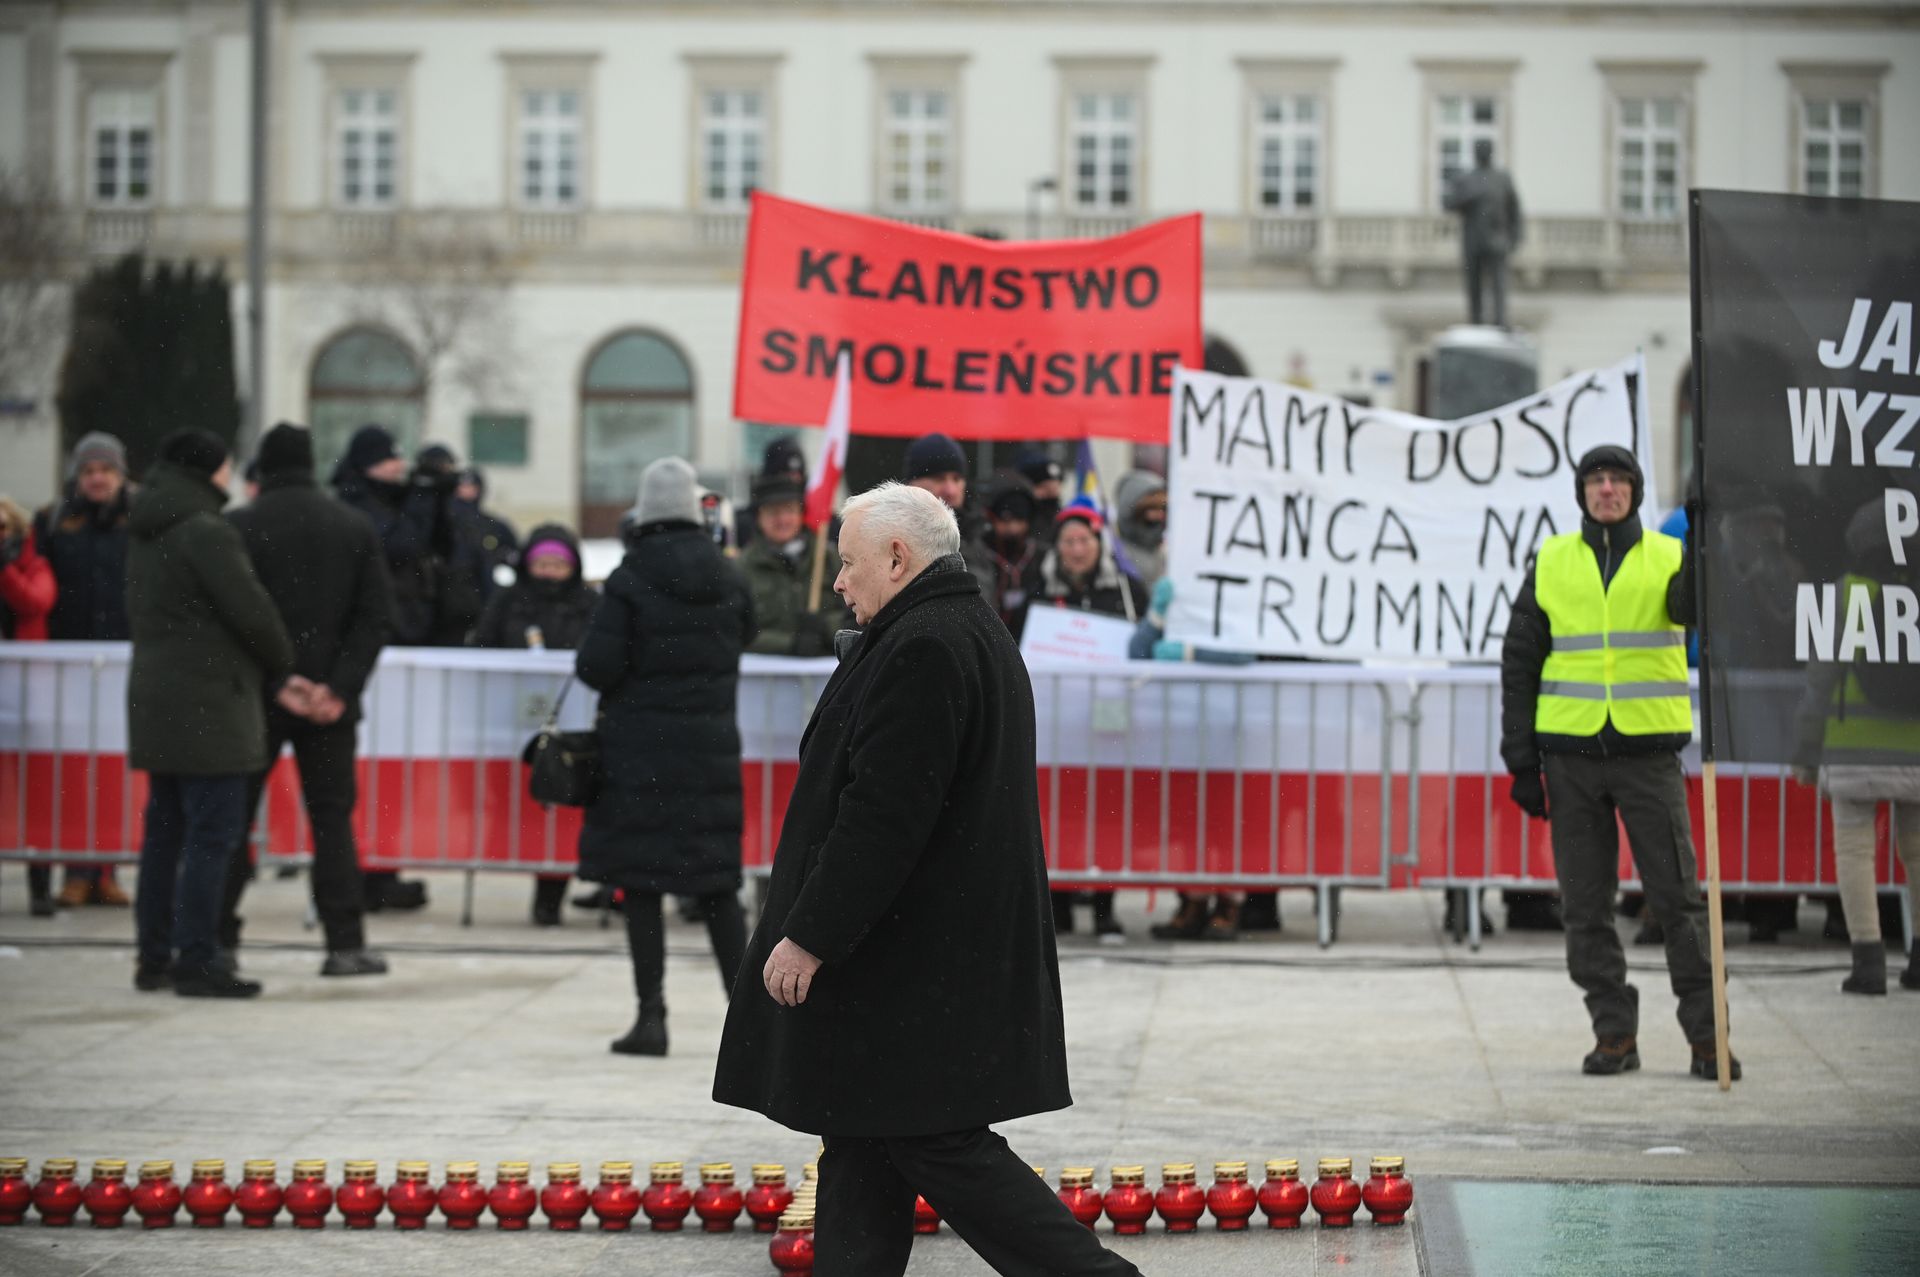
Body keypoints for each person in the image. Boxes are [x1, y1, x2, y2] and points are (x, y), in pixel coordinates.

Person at [713, 482, 1140, 1277]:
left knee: (931, 1140)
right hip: (921, 953)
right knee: (863, 1134)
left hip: (914, 959)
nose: (838, 581)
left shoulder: (928, 644)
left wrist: (808, 933)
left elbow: (882, 817)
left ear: (898, 557)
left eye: (847, 563)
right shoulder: (953, 626)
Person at [1500, 444, 1737, 1081]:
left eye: (1619, 480)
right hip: (1571, 757)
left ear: (1633, 490)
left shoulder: (1668, 553)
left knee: (1679, 903)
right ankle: (1613, 1034)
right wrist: (1520, 758)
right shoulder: (1552, 559)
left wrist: (1708, 542)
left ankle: (1708, 1038)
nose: (1608, 490)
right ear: (1582, 492)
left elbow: (1695, 612)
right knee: (1584, 906)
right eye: (1596, 480)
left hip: (1648, 756)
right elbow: (1520, 662)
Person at [576, 458, 756, 1056]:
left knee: (643, 885)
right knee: (716, 888)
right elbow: (747, 635)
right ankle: (754, 1024)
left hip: (639, 757)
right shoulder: (729, 577)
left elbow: (596, 667)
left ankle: (651, 1017)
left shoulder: (630, 577)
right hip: (708, 755)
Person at [126, 429, 314, 998]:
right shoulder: (207, 531)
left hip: (157, 697)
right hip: (211, 702)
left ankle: (154, 955)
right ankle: (198, 957)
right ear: (211, 471)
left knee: (163, 834)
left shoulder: (146, 527)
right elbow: (251, 612)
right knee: (213, 836)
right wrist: (283, 661)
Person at [219, 422, 392, 977]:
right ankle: (344, 943)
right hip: (329, 707)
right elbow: (373, 617)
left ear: (263, 468)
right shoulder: (352, 525)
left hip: (257, 699)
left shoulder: (239, 528)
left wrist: (279, 681)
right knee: (332, 820)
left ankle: (218, 936)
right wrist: (338, 688)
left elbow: (234, 617)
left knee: (233, 817)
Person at [1792, 502, 1920, 995]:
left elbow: (1820, 681)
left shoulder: (1847, 594)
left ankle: (1867, 960)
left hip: (1854, 748)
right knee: (1917, 851)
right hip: (1915, 746)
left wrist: (1805, 751)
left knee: (1854, 848)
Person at [330, 424, 443, 912]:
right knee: (364, 771)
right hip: (373, 649)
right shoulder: (355, 506)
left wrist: (434, 498)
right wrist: (419, 501)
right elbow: (400, 545)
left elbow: (435, 544)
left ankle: (385, 864)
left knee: (398, 771)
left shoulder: (393, 502)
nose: (398, 468)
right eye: (388, 460)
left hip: (407, 640)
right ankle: (359, 871)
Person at [469, 522, 600, 927]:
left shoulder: (589, 603)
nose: (547, 572)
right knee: (512, 802)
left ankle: (551, 896)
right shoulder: (508, 600)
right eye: (540, 563)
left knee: (559, 804)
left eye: (556, 565)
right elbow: (481, 646)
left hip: (569, 725)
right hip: (510, 721)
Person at [32, 432, 136, 909]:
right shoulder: (53, 522)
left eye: (107, 471)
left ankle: (107, 868)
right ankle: (76, 868)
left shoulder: (138, 522)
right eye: (90, 470)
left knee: (113, 767)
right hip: (67, 661)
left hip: (120, 658)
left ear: (121, 475)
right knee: (72, 770)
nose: (98, 479)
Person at [1129, 573, 1260, 940]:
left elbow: (1245, 653)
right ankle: (1194, 899)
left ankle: (1230, 902)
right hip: (1180, 732)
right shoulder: (1174, 595)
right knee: (1187, 819)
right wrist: (1156, 617)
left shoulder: (1236, 601)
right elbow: (1135, 651)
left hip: (1226, 730)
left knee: (1224, 820)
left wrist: (1191, 654)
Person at [738, 472, 848, 657]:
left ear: (801, 514)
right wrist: (790, 644)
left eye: (789, 510)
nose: (782, 520)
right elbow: (738, 630)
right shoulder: (742, 567)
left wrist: (823, 627)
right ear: (759, 517)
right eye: (773, 512)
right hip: (766, 679)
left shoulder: (830, 558)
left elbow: (856, 615)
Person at [902, 432, 998, 598]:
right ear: (913, 483)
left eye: (957, 478)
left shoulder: (979, 535)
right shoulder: (889, 538)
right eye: (939, 478)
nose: (951, 490)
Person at [1442, 137, 1523, 328]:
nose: (1483, 152)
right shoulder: (1466, 179)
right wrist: (1469, 196)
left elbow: (1514, 210)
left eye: (1486, 149)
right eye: (1480, 149)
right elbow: (1448, 203)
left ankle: (1500, 319)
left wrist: (1516, 237)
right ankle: (1476, 320)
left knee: (1499, 282)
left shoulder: (1502, 178)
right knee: (1473, 284)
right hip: (1472, 239)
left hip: (1497, 237)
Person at [977, 472, 1042, 639]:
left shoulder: (1039, 556)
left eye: (1020, 520)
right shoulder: (978, 554)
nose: (1013, 529)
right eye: (1006, 521)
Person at [454, 466, 521, 598]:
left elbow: (514, 554)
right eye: (461, 486)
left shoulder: (494, 526)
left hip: (484, 593)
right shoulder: (445, 525)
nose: (465, 491)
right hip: (452, 594)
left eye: (471, 487)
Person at [1112, 469, 1169, 588]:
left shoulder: (1163, 550)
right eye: (1151, 508)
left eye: (1162, 508)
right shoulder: (1113, 550)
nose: (1159, 515)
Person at [1015, 449, 1065, 543]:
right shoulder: (1018, 519)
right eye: (1044, 487)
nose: (1052, 494)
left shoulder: (1062, 519)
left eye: (1055, 488)